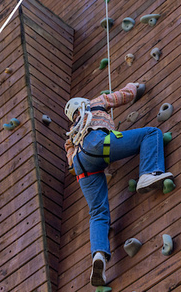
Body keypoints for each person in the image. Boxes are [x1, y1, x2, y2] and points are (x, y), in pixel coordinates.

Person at [63, 82, 174, 287]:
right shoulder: (94, 104)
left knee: (97, 213)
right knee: (151, 133)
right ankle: (149, 173)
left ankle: (98, 257)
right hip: (97, 145)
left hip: (81, 165)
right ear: (82, 104)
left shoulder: (71, 135)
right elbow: (123, 96)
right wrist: (136, 86)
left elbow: (71, 162)